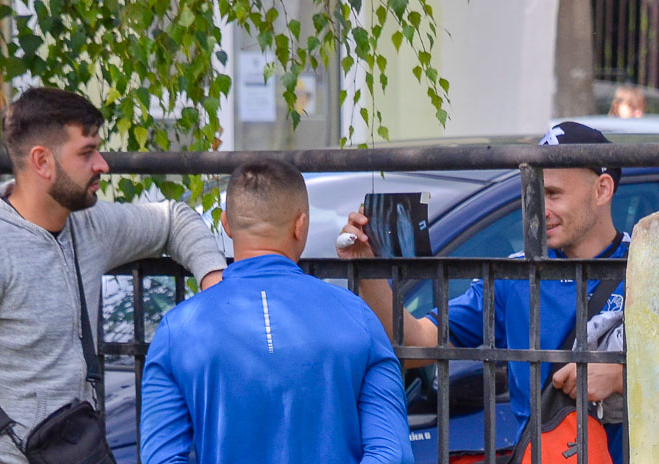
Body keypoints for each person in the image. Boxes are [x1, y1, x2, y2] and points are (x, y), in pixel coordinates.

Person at [0, 87, 227, 464]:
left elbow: (174, 219)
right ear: (41, 161)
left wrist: (215, 283)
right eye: (86, 152)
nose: (102, 164)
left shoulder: (89, 225)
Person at [337, 121, 627, 463]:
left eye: (552, 194)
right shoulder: (513, 275)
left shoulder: (647, 270)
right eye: (532, 193)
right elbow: (418, 343)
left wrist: (625, 375)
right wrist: (368, 271)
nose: (538, 208)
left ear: (602, 189)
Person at [140, 159, 414, 464]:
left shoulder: (177, 330)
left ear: (226, 224)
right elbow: (393, 454)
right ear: (301, 225)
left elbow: (160, 459)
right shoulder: (358, 318)